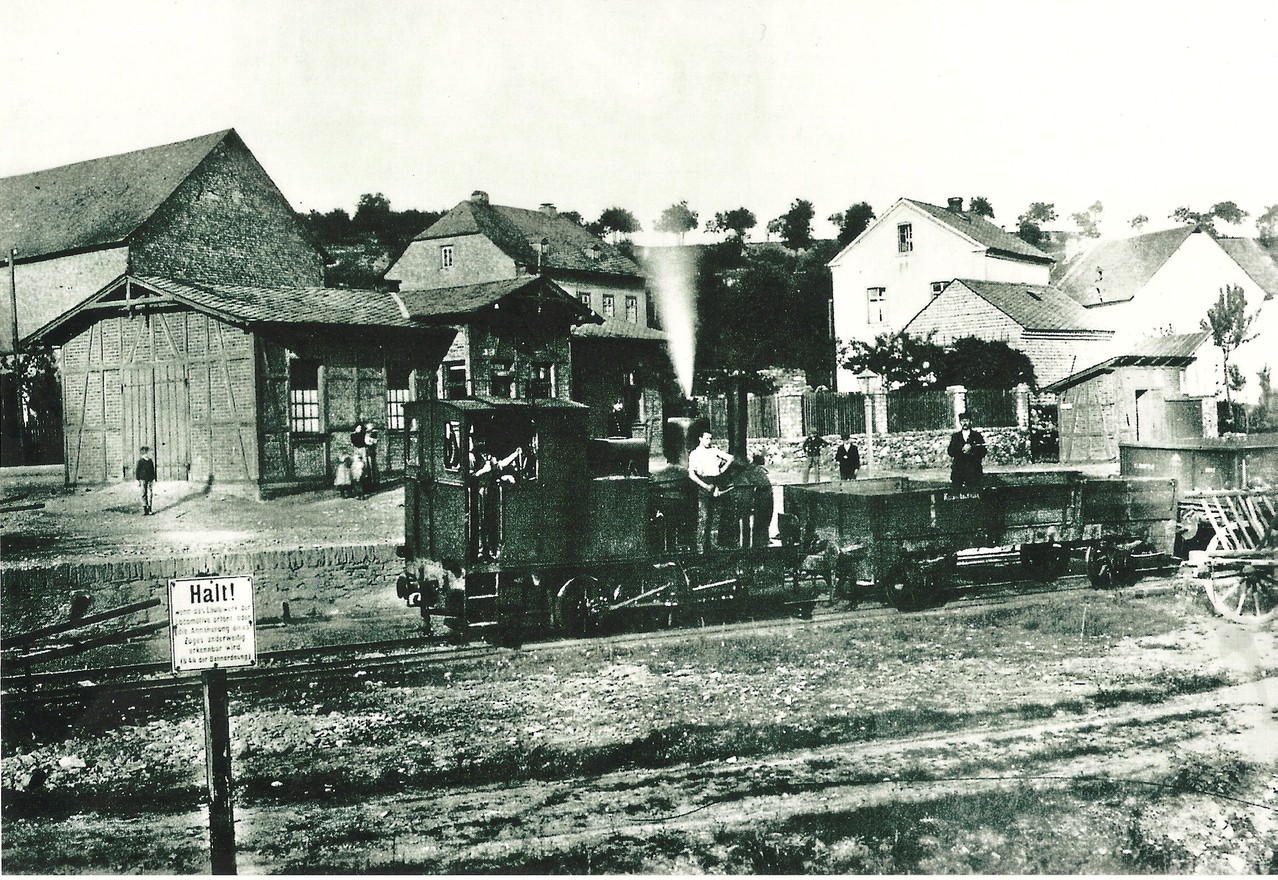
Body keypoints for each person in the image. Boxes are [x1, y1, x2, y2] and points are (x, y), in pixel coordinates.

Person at [687, 429, 734, 552]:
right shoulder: (695, 454)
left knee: (716, 517)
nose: (709, 441)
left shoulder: (714, 451)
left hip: (716, 484)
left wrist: (722, 470)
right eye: (706, 438)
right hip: (703, 485)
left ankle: (714, 544)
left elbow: (731, 458)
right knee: (703, 517)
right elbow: (692, 474)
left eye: (710, 438)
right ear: (700, 439)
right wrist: (704, 486)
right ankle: (700, 547)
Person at [947, 411, 987, 491]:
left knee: (975, 494)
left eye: (967, 420)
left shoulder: (977, 435)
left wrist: (971, 449)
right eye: (962, 421)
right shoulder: (956, 436)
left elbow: (983, 451)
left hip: (974, 471)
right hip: (959, 471)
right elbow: (950, 451)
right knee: (957, 494)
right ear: (960, 422)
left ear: (970, 422)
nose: (964, 423)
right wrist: (962, 449)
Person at [135, 446, 156, 515]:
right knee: (143, 493)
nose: (148, 454)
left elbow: (153, 470)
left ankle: (150, 508)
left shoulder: (150, 461)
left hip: (150, 479)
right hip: (143, 479)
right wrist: (138, 480)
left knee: (150, 493)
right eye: (147, 453)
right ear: (143, 454)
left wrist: (154, 478)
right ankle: (145, 509)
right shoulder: (140, 461)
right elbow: (137, 471)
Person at [363, 423, 380, 491]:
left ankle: (374, 484)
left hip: (371, 453)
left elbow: (372, 443)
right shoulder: (367, 435)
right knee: (368, 468)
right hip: (367, 453)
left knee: (372, 468)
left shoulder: (373, 435)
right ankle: (370, 484)